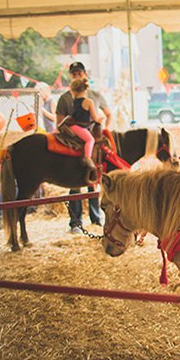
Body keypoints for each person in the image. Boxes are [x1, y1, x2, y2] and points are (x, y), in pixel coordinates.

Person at [56, 62, 112, 233]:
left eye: (79, 72)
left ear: (85, 74)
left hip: (92, 140)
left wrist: (106, 130)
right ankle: (75, 222)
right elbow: (59, 122)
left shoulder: (95, 95)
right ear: (70, 76)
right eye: (73, 73)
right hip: (74, 141)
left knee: (94, 180)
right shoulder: (65, 98)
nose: (77, 75)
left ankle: (96, 219)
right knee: (75, 183)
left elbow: (108, 113)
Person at [68, 78, 105, 172]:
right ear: (85, 89)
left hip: (73, 125)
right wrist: (101, 119)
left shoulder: (75, 101)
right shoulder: (89, 101)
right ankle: (87, 158)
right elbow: (95, 118)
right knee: (90, 139)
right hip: (80, 127)